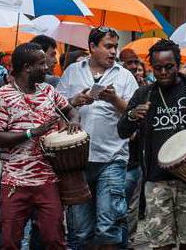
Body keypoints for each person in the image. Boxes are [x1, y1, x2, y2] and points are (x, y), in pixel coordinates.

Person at [117, 39, 186, 250]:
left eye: (169, 67)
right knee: (159, 243)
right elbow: (122, 131)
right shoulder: (143, 94)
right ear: (152, 68)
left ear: (178, 64)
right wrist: (131, 116)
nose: (163, 72)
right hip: (155, 179)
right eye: (158, 68)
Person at [57, 27, 139, 250]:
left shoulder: (125, 76)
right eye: (108, 46)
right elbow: (55, 108)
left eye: (115, 46)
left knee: (108, 228)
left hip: (112, 158)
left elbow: (135, 113)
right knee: (80, 231)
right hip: (75, 160)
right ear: (92, 47)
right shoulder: (72, 71)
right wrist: (75, 100)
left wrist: (115, 100)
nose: (114, 52)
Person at [0, 42, 81, 250]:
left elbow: (70, 111)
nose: (47, 67)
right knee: (9, 242)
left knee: (54, 240)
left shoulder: (49, 91)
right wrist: (31, 133)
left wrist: (74, 122)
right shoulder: (2, 97)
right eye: (41, 63)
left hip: (48, 180)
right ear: (26, 67)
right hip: (14, 182)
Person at [118, 49, 146, 249]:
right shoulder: (117, 88)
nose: (135, 67)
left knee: (131, 211)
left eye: (136, 63)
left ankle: (128, 243)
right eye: (129, 63)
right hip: (118, 159)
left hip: (136, 161)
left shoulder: (144, 89)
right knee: (116, 211)